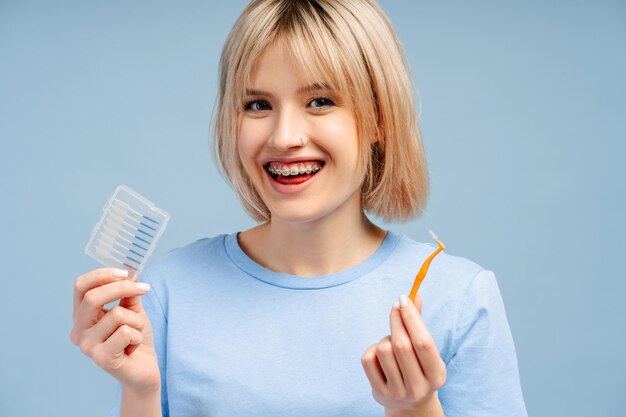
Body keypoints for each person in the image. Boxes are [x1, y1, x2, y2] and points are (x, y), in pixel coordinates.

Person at [71, 1, 528, 416]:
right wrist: (141, 394)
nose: (284, 136)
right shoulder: (167, 291)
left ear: (379, 119)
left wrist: (416, 409)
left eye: (320, 101)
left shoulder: (461, 299)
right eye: (257, 104)